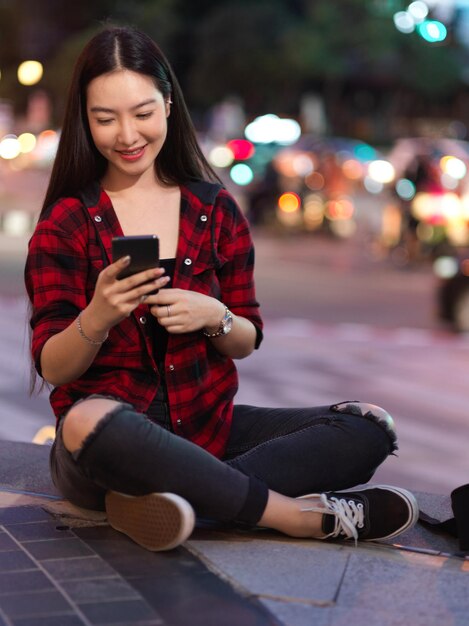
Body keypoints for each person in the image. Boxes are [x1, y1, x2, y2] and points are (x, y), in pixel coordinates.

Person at [25, 25, 419, 552]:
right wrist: (97, 315)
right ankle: (290, 516)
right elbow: (53, 367)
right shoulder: (67, 222)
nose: (127, 134)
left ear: (168, 105)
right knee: (89, 418)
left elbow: (247, 337)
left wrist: (215, 315)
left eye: (142, 113)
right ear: (84, 120)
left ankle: (180, 497)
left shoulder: (214, 210)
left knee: (367, 428)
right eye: (105, 118)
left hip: (206, 425)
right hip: (107, 445)